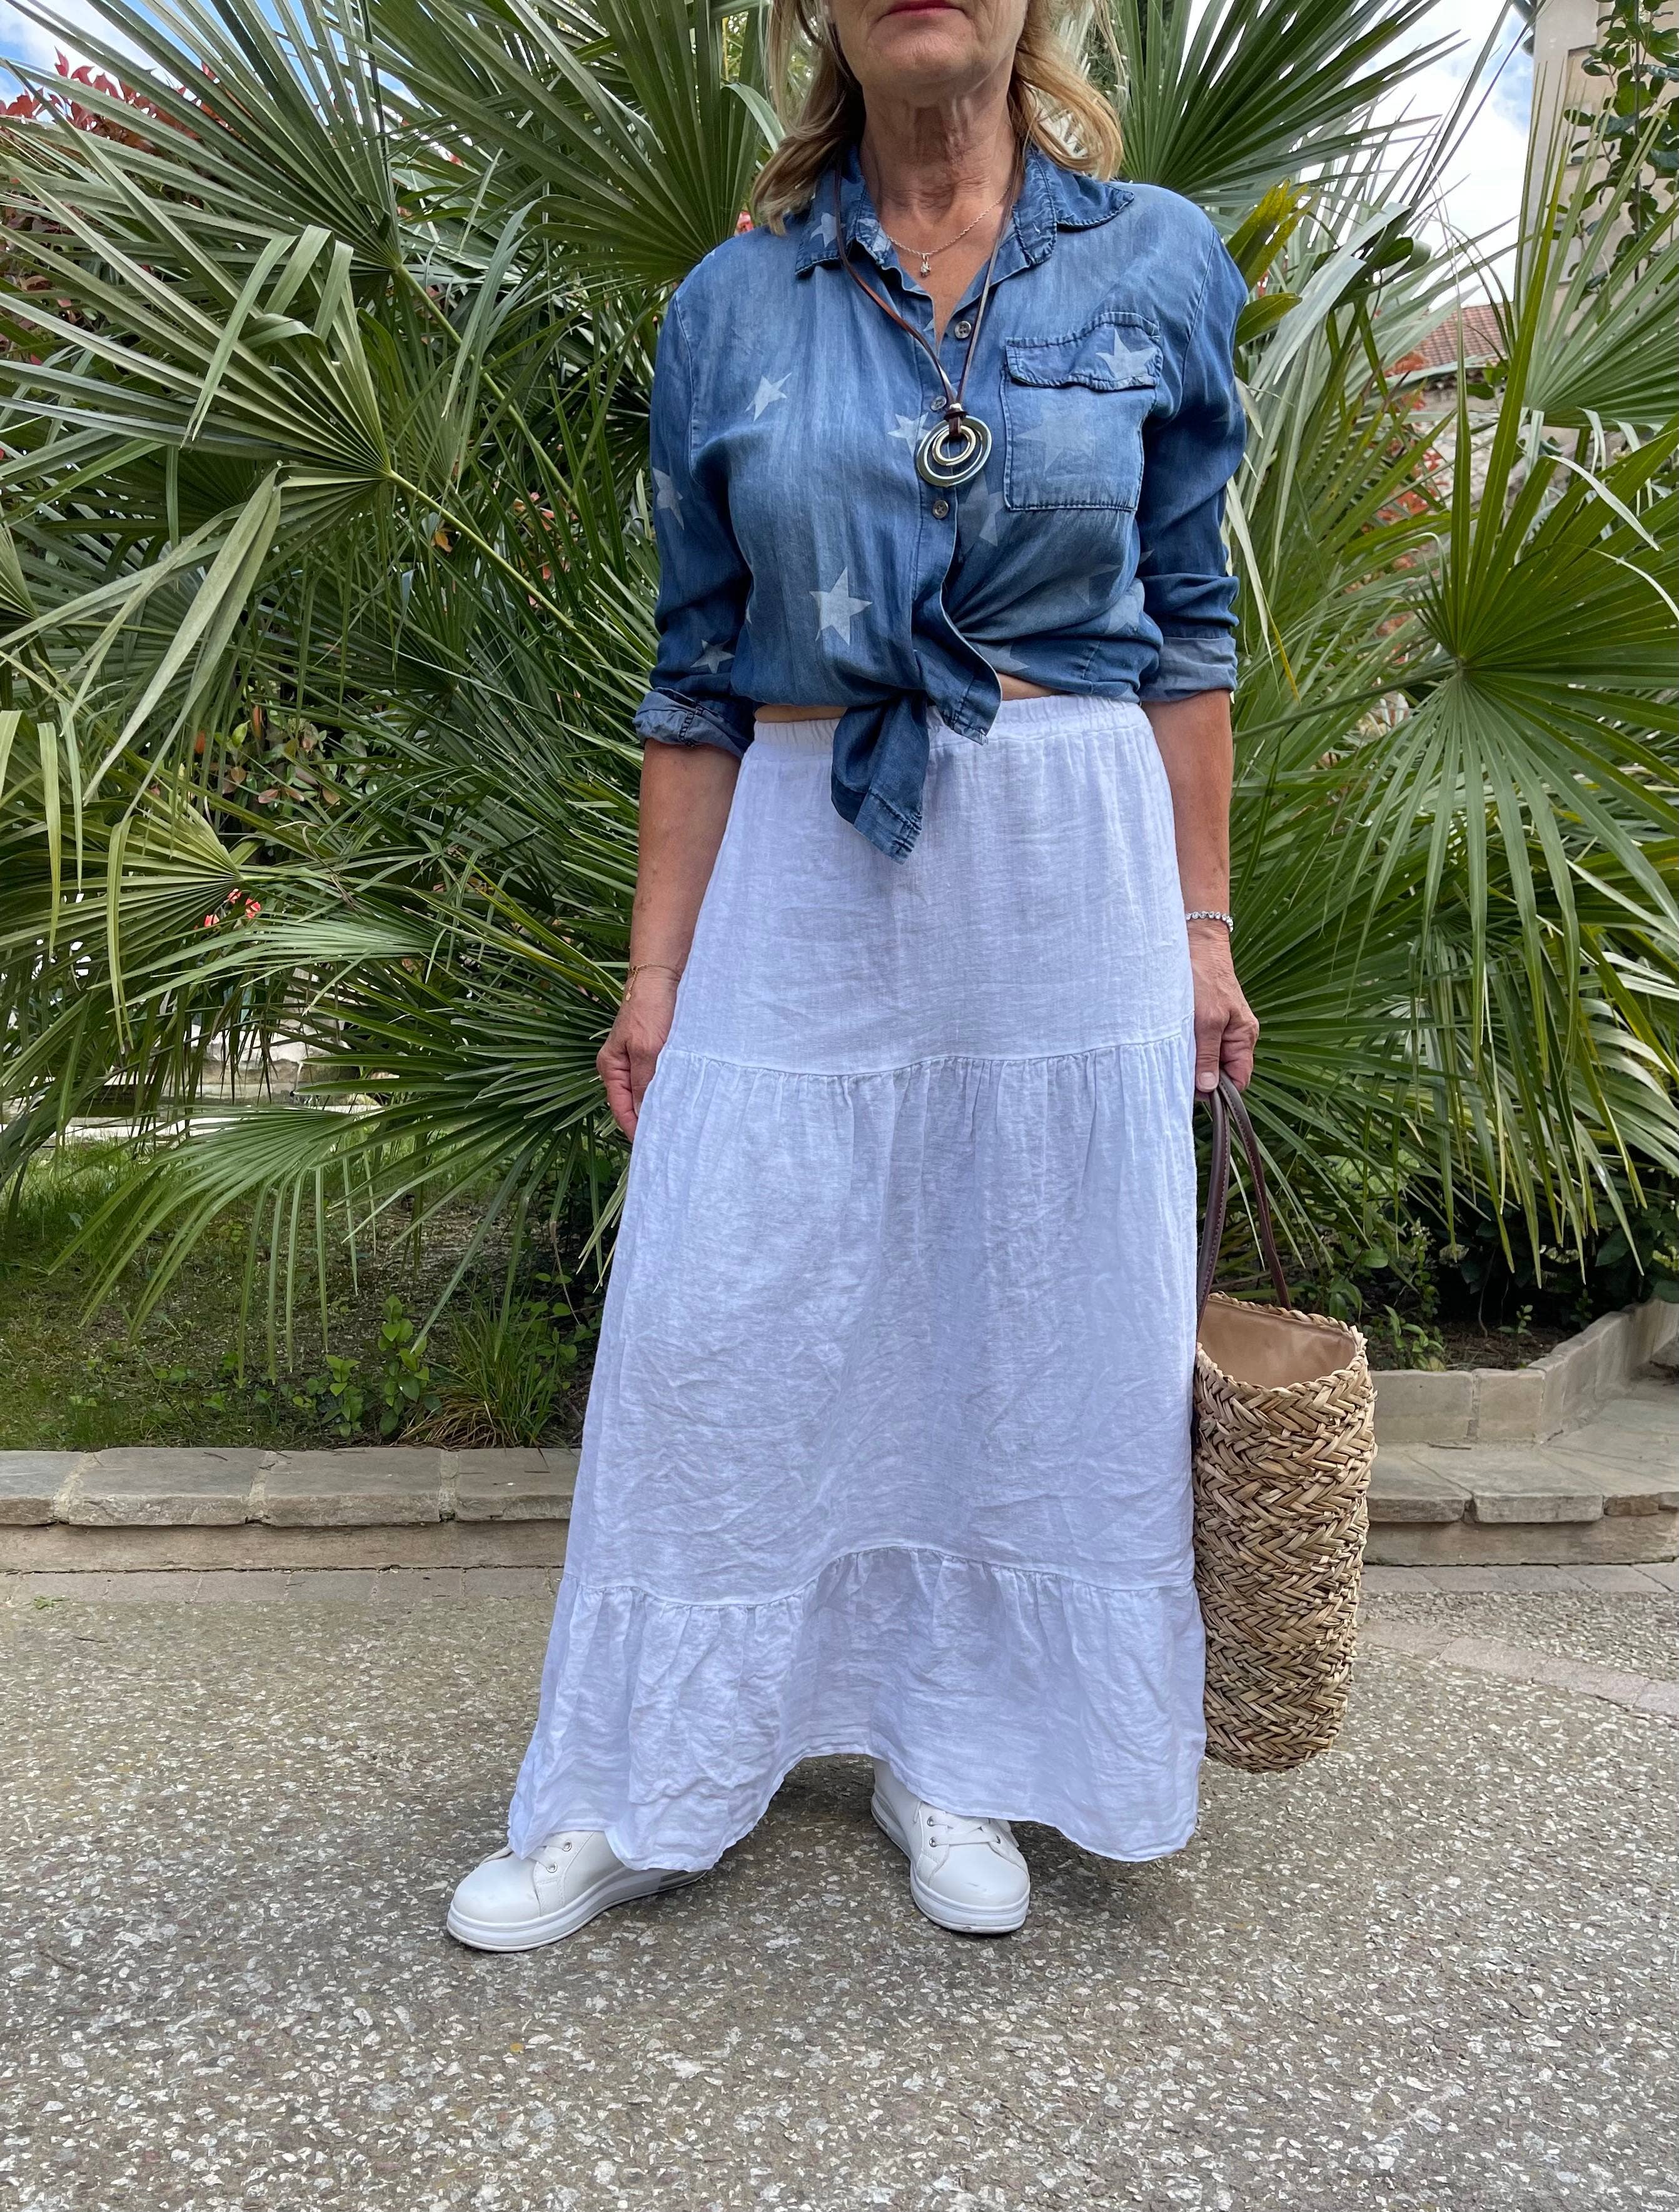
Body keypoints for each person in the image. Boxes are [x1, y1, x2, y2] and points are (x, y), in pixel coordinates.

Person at [448, 0, 1258, 1950]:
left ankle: (958, 1744)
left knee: (1036, 1303)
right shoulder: (734, 303)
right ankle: (642, 1767)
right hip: (808, 855)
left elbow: (1188, 625)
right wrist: (656, 973)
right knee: (716, 1302)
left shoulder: (1155, 261)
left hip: (1070, 857)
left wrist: (1204, 928)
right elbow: (695, 671)